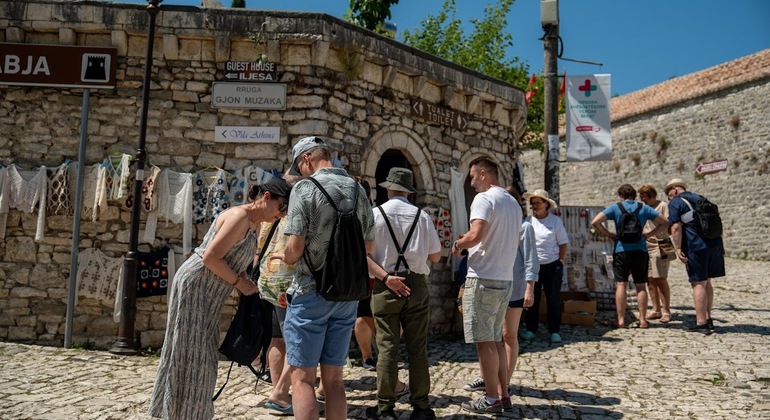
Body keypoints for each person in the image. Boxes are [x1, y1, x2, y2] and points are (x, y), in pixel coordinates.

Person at [148, 177, 292, 420]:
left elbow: (239, 259)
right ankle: (178, 412)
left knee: (203, 356)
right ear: (266, 198)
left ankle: (192, 412)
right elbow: (210, 257)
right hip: (196, 287)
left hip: (211, 293)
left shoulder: (255, 224)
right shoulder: (239, 217)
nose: (283, 214)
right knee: (191, 353)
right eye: (282, 207)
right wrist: (238, 283)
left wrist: (248, 284)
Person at [271, 136, 375, 420]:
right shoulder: (357, 189)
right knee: (334, 381)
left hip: (310, 290)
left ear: (306, 159)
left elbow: (294, 248)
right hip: (346, 295)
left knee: (303, 379)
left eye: (299, 166)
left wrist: (286, 258)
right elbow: (368, 247)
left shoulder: (305, 189)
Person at [364, 167, 442, 420]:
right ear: (409, 191)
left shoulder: (374, 215)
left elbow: (363, 257)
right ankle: (421, 406)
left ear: (388, 189)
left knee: (387, 347)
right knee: (418, 347)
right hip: (416, 283)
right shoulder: (422, 217)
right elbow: (435, 255)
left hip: (385, 284)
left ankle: (385, 407)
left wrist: (386, 277)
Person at [452, 157, 521, 414]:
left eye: (472, 176)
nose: (471, 182)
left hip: (483, 277)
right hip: (504, 278)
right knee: (495, 339)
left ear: (483, 174)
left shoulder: (484, 198)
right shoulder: (513, 202)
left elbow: (477, 233)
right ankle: (503, 394)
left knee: (484, 341)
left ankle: (491, 398)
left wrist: (459, 245)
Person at [464, 187, 539, 395]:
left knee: (509, 335)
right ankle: (487, 378)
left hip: (515, 287)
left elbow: (531, 260)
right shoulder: (498, 226)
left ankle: (504, 381)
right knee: (491, 336)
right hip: (497, 282)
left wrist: (530, 288)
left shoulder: (525, 228)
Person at [591, 184, 668, 329]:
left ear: (621, 195)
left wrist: (609, 235)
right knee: (640, 286)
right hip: (640, 251)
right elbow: (665, 222)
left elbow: (595, 222)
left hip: (621, 250)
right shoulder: (643, 208)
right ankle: (643, 320)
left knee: (621, 285)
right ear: (634, 195)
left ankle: (620, 320)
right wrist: (649, 235)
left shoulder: (616, 207)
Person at [664, 178, 725, 334]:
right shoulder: (701, 198)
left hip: (695, 246)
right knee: (707, 282)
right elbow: (716, 221)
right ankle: (708, 317)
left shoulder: (676, 202)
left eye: (668, 192)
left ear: (675, 189)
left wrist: (677, 249)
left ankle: (701, 322)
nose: (668, 196)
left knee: (698, 283)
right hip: (714, 243)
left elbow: (676, 227)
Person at [521, 189, 568, 343]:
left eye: (537, 203)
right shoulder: (527, 221)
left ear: (546, 204)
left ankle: (554, 330)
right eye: (532, 203)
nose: (534, 206)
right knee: (531, 298)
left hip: (552, 265)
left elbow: (563, 243)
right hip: (533, 266)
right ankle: (530, 329)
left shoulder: (555, 221)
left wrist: (561, 260)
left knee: (553, 298)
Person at [638, 184, 673, 324]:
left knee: (661, 278)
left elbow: (667, 224)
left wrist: (650, 234)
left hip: (662, 243)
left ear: (651, 196)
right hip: (646, 245)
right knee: (650, 279)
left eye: (645, 197)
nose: (643, 200)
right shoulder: (643, 208)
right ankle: (656, 309)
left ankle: (666, 311)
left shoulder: (663, 206)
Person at [354, 176, 377, 372]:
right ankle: (372, 355)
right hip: (367, 272)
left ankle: (367, 356)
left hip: (353, 273)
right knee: (364, 313)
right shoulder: (370, 213)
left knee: (362, 313)